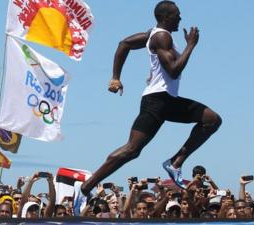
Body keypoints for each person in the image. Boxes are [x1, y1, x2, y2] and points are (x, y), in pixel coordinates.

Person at [73, 0, 221, 215]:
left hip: (164, 100)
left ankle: (175, 162)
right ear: (166, 17)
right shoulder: (162, 36)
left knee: (212, 120)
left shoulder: (152, 34)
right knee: (131, 150)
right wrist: (190, 46)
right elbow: (173, 70)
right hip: (158, 101)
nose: (181, 18)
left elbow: (124, 43)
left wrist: (116, 77)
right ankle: (85, 187)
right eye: (177, 15)